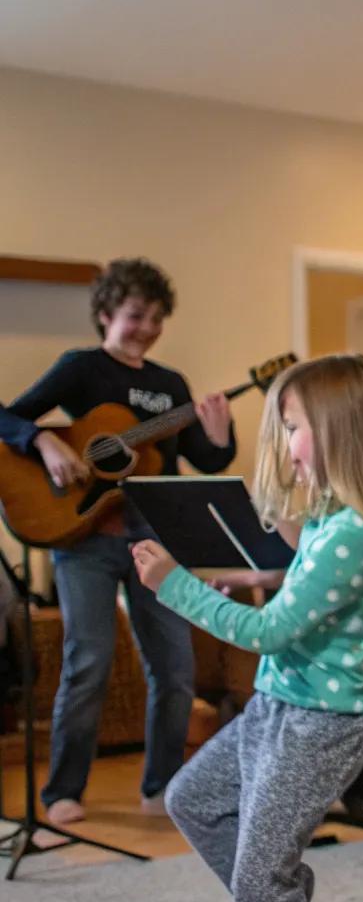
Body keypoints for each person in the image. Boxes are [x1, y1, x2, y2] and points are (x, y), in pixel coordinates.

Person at [132, 353, 363, 902]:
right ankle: (281, 890)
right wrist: (262, 573)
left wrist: (177, 585)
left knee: (259, 878)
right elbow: (303, 589)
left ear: (339, 431)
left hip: (322, 726)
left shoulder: (357, 530)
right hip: (277, 705)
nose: (286, 441)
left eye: (294, 426)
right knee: (192, 801)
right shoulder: (328, 519)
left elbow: (266, 632)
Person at [6, 258, 235, 824]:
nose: (147, 329)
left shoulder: (170, 386)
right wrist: (43, 441)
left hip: (155, 543)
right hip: (82, 538)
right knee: (89, 662)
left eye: (157, 319)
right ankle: (63, 793)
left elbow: (204, 461)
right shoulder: (80, 369)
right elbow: (6, 419)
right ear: (106, 313)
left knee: (176, 669)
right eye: (136, 316)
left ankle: (162, 788)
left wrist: (220, 435)